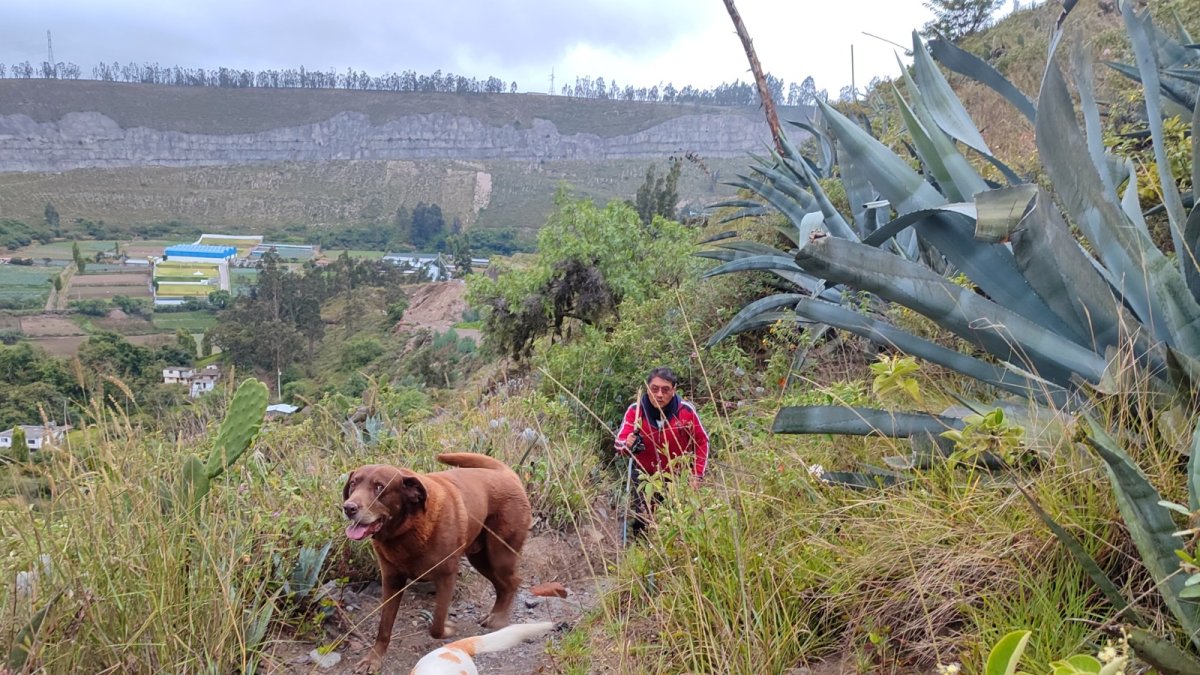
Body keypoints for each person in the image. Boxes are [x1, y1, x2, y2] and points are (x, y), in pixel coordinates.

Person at [614, 367, 709, 537]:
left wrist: (697, 474)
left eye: (665, 390)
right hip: (645, 476)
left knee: (677, 521)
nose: (659, 395)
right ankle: (639, 553)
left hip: (677, 477)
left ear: (674, 390)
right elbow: (619, 444)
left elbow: (702, 442)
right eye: (654, 389)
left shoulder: (685, 411)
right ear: (647, 389)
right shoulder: (636, 411)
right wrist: (628, 444)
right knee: (644, 519)